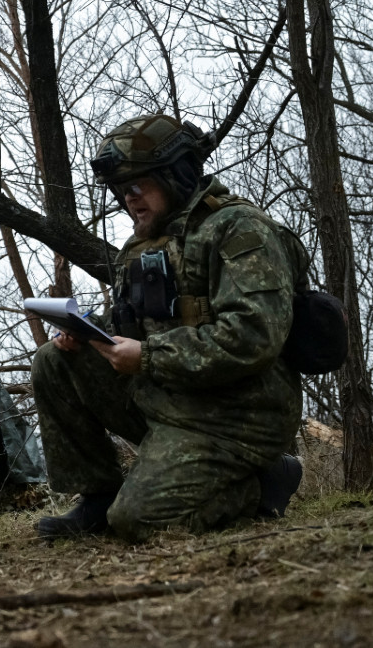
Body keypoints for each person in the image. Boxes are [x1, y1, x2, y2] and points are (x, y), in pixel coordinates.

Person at [32, 114, 306, 542]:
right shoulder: (144, 243)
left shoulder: (239, 229)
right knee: (54, 360)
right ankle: (100, 497)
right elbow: (134, 324)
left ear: (174, 175)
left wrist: (150, 356)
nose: (129, 199)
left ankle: (263, 482)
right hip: (169, 397)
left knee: (140, 520)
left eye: (138, 186)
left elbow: (253, 336)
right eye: (123, 191)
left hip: (237, 416)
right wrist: (87, 333)